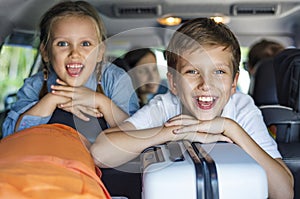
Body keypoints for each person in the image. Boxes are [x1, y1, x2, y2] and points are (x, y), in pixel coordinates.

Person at [91, 18, 294, 199]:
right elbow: (101, 153)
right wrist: (172, 131)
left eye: (219, 71)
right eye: (192, 71)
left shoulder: (241, 107)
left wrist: (230, 128)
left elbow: (284, 192)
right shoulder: (166, 105)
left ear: (234, 83)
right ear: (173, 83)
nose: (206, 84)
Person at [2, 1, 139, 143]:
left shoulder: (115, 79)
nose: (75, 53)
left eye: (85, 44)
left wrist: (101, 102)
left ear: (100, 52)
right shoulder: (35, 84)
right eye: (63, 44)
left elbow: (137, 134)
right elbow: (10, 136)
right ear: (45, 52)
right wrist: (52, 99)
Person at [0, 123, 111, 198]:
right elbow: (10, 129)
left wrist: (102, 103)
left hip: (71, 149)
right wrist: (52, 100)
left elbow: (126, 129)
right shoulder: (35, 89)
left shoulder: (110, 90)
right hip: (18, 144)